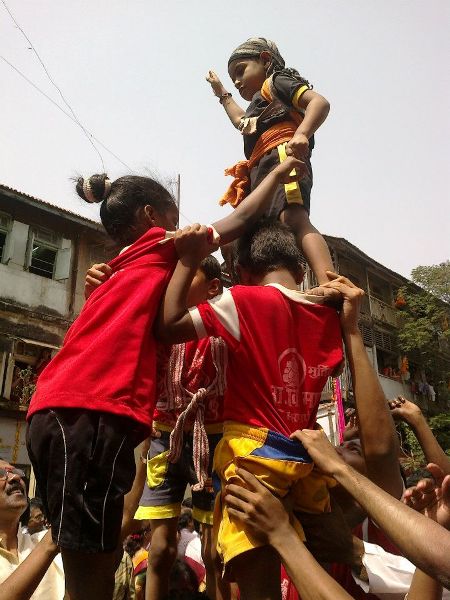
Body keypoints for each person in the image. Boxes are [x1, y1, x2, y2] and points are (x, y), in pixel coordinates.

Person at [25, 158, 303, 600]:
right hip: (90, 410)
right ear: (151, 218)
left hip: (56, 408)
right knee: (91, 567)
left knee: (95, 551)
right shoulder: (162, 246)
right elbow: (243, 217)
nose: (183, 225)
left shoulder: (120, 268)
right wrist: (278, 171)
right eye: (175, 214)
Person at [156, 219, 344, 599]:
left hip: (253, 458)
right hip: (308, 457)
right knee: (313, 578)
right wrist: (299, 216)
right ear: (302, 270)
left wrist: (188, 258)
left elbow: (169, 324)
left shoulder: (242, 300)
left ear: (241, 272)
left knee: (260, 591)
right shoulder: (330, 315)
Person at [206, 37, 333, 283]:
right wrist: (222, 92)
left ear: (265, 60)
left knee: (292, 219)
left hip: (282, 156)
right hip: (260, 170)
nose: (237, 80)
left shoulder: (276, 82)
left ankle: (331, 283)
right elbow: (240, 122)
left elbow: (319, 102)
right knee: (254, 232)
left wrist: (302, 134)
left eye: (241, 70)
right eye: (233, 78)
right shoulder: (256, 105)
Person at [0, 459, 64, 599]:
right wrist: (50, 543)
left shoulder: (40, 541)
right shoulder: (49, 543)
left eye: (16, 472)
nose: (15, 477)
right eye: (1, 474)